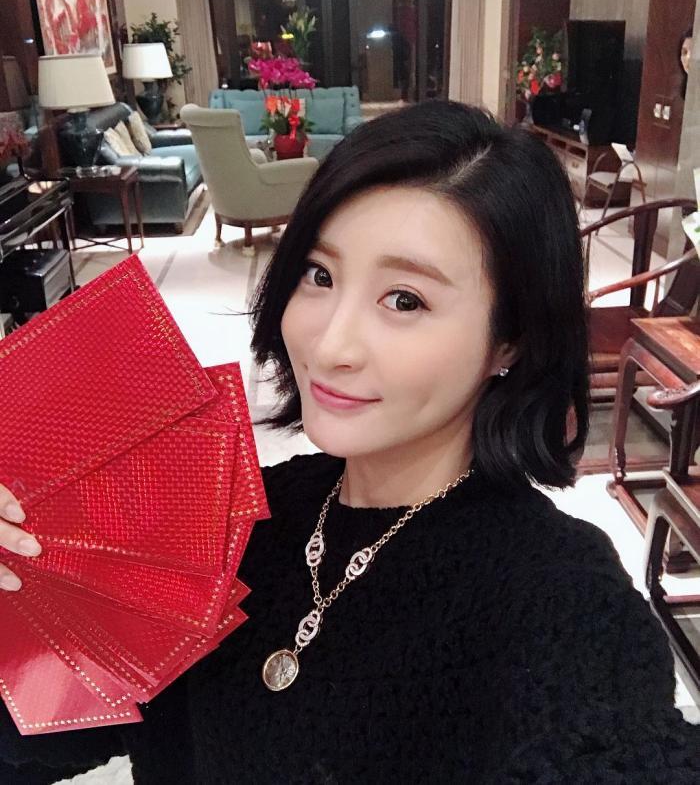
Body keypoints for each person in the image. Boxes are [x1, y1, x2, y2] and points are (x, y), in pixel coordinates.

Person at [0, 102, 698, 783]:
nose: (331, 345)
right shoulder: (231, 516)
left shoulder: (562, 596)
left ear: (509, 340)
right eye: (320, 275)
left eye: (405, 300)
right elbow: (43, 732)